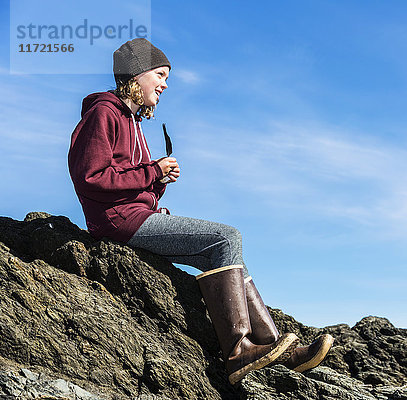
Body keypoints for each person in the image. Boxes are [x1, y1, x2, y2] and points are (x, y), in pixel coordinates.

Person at [67, 38, 333, 385]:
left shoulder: (133, 121)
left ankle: (271, 347)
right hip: (118, 221)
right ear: (136, 75)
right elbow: (91, 176)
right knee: (227, 237)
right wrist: (153, 172)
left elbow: (128, 180)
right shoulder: (104, 112)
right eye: (160, 75)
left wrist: (158, 180)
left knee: (226, 253)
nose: (165, 84)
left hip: (134, 214)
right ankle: (239, 351)